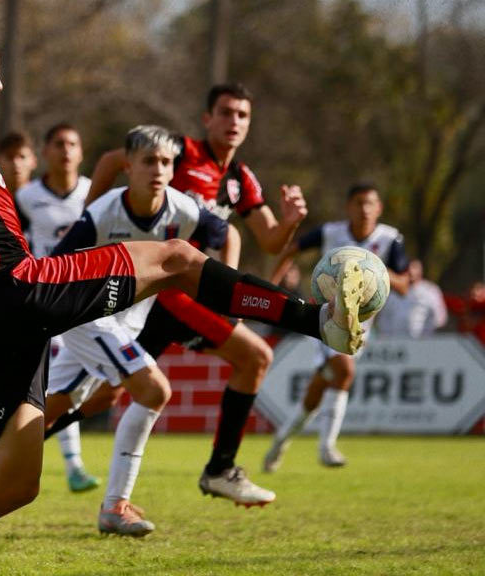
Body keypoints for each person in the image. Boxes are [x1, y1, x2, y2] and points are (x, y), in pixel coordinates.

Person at [0, 11, 366, 575]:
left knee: (12, 485)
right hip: (18, 288)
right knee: (178, 258)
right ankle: (319, 319)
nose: (0, 84)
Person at [0, 125, 236, 536]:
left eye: (166, 162)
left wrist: (226, 291)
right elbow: (54, 275)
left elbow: (226, 234)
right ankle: (115, 507)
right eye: (148, 162)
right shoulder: (104, 211)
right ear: (128, 167)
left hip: (123, 323)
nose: (158, 170)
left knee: (49, 410)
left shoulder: (183, 209)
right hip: (89, 318)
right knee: (153, 390)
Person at [85, 83, 307, 505]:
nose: (234, 122)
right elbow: (114, 159)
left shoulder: (240, 179)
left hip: (179, 295)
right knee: (255, 356)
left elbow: (271, 240)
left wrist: (291, 221)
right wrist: (89, 217)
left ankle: (1, 451)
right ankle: (220, 470)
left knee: (103, 392)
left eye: (242, 115)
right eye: (225, 112)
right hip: (162, 288)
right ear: (208, 119)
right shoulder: (181, 152)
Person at [264, 184, 409, 472]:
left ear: (379, 208)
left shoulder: (390, 239)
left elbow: (404, 285)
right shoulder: (330, 233)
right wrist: (270, 286)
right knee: (344, 371)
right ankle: (326, 447)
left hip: (363, 325)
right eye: (357, 203)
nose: (363, 209)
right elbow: (290, 250)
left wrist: (374, 271)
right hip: (325, 318)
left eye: (369, 203)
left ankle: (281, 440)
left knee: (318, 392)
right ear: (348, 207)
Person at [15, 122, 99, 492]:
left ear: (81, 152)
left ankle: (71, 465)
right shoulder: (25, 196)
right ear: (45, 152)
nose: (66, 150)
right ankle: (72, 466)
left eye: (73, 143)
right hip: (42, 299)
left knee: (65, 386)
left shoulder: (94, 193)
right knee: (49, 384)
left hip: (82, 301)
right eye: (59, 143)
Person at [375, 260, 447, 337]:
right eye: (408, 267)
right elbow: (384, 319)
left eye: (415, 267)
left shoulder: (431, 291)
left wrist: (426, 336)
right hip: (396, 343)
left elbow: (439, 318)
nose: (411, 271)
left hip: (423, 343)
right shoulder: (393, 293)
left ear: (421, 270)